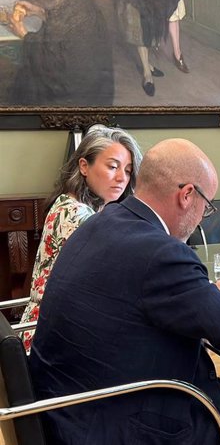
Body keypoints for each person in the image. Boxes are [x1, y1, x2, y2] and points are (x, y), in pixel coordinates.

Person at [29, 138, 220, 445]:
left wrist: (203, 293)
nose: (201, 217)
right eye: (206, 208)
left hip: (64, 406)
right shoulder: (162, 253)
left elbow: (134, 292)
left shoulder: (101, 221)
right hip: (109, 423)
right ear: (187, 195)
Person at [20, 124, 141, 352]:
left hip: (44, 328)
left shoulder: (68, 203)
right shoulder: (78, 215)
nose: (121, 178)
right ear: (84, 166)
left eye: (127, 170)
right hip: (53, 340)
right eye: (113, 167)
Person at [8, 0, 114, 106]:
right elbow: (65, 23)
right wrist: (39, 11)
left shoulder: (70, 4)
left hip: (74, 91)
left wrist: (24, 34)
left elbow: (49, 55)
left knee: (25, 79)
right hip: (92, 84)